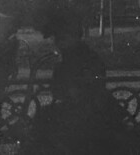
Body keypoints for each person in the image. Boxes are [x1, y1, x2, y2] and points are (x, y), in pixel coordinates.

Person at [21, 9, 133, 154]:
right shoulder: (93, 57)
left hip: (82, 122)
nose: (56, 43)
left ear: (71, 37)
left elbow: (59, 92)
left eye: (60, 38)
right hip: (102, 117)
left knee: (43, 119)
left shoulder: (66, 62)